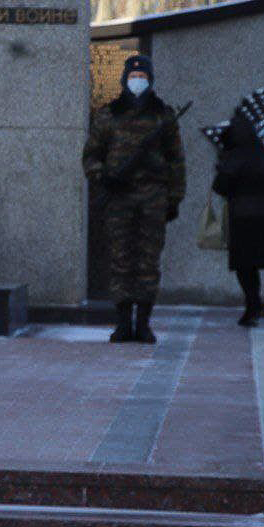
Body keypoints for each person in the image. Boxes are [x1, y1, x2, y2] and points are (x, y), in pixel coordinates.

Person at [83, 54, 186, 344]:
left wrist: (174, 198)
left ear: (150, 80)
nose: (137, 81)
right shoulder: (108, 115)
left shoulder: (163, 116)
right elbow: (91, 155)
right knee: (120, 259)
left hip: (153, 198)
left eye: (142, 77)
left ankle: (143, 322)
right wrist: (103, 177)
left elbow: (176, 160)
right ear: (124, 79)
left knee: (148, 261)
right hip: (119, 198)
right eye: (133, 76)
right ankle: (122, 322)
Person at [211, 112, 264, 326]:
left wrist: (222, 166)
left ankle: (253, 305)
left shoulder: (236, 156)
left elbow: (220, 186)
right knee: (253, 265)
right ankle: (255, 303)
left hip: (243, 215)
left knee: (243, 265)